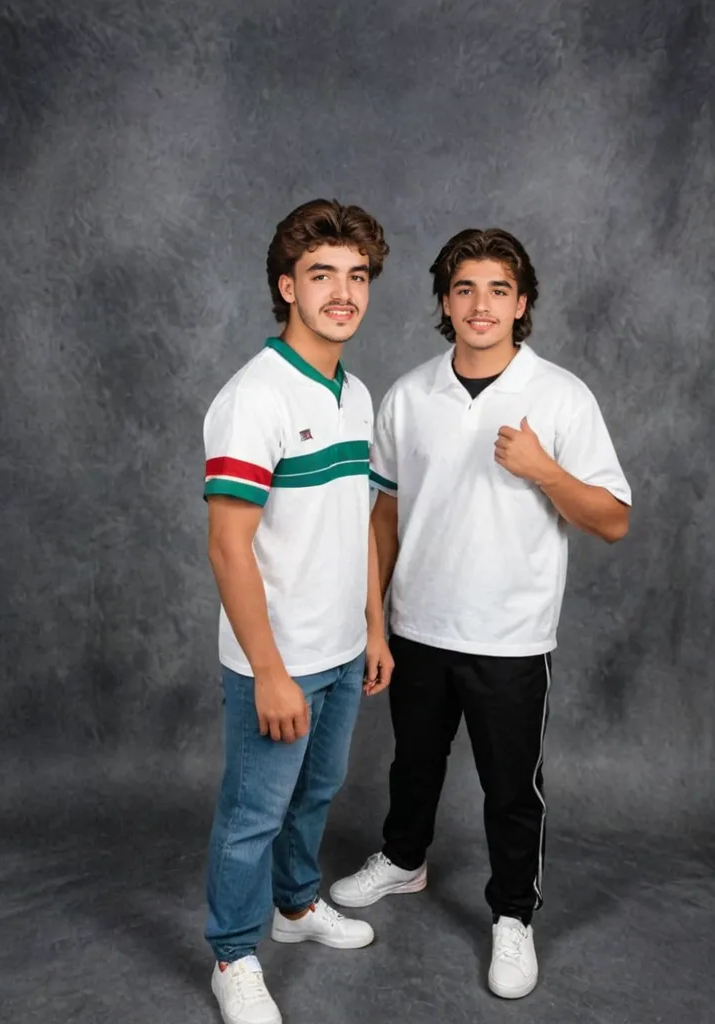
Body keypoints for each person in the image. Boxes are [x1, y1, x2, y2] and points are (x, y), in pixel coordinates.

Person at [330, 227, 632, 1000]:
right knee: (413, 765)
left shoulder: (559, 395)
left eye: (499, 289)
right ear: (445, 300)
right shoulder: (408, 395)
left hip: (511, 636)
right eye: (464, 288)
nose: (481, 305)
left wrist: (543, 469)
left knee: (510, 790)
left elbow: (612, 520)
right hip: (417, 626)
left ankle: (512, 915)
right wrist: (374, 623)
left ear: (522, 303)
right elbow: (382, 518)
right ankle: (404, 861)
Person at [203, 199, 394, 1024]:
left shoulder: (357, 395)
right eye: (322, 275)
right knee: (253, 817)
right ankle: (233, 955)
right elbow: (227, 547)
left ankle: (296, 905)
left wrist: (373, 628)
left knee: (316, 796)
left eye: (357, 276)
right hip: (275, 663)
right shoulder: (255, 397)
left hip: (343, 651)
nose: (343, 293)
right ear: (287, 287)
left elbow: (358, 526)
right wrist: (270, 673)